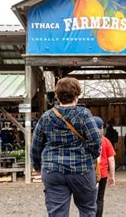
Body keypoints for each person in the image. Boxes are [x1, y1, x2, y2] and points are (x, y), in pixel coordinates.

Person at [31, 77, 101, 217]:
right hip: (81, 170)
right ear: (77, 94)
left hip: (53, 170)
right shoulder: (84, 114)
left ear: (57, 96)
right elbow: (95, 141)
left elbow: (36, 145)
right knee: (87, 209)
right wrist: (90, 157)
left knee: (57, 212)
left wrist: (38, 166)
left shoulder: (46, 116)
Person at [93, 116, 115, 217]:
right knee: (100, 198)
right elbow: (111, 159)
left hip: (88, 174)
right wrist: (112, 175)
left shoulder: (84, 141)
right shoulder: (106, 141)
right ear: (101, 128)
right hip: (102, 174)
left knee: (88, 199)